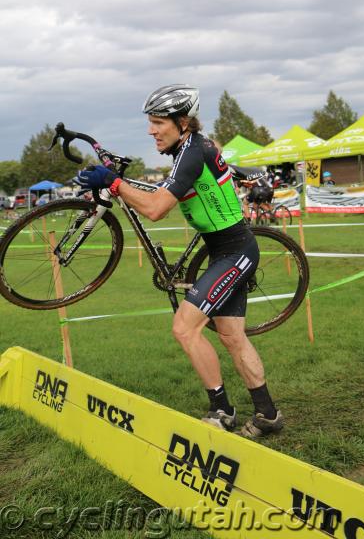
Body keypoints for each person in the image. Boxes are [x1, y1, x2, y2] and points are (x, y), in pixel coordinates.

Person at [76, 84, 284, 438]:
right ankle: (267, 413)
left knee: (184, 327)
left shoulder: (192, 152)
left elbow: (156, 209)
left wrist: (113, 182)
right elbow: (162, 191)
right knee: (233, 337)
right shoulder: (192, 147)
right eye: (150, 122)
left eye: (158, 122)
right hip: (223, 250)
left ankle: (221, 409)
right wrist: (118, 181)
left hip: (235, 251)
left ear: (183, 122)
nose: (151, 130)